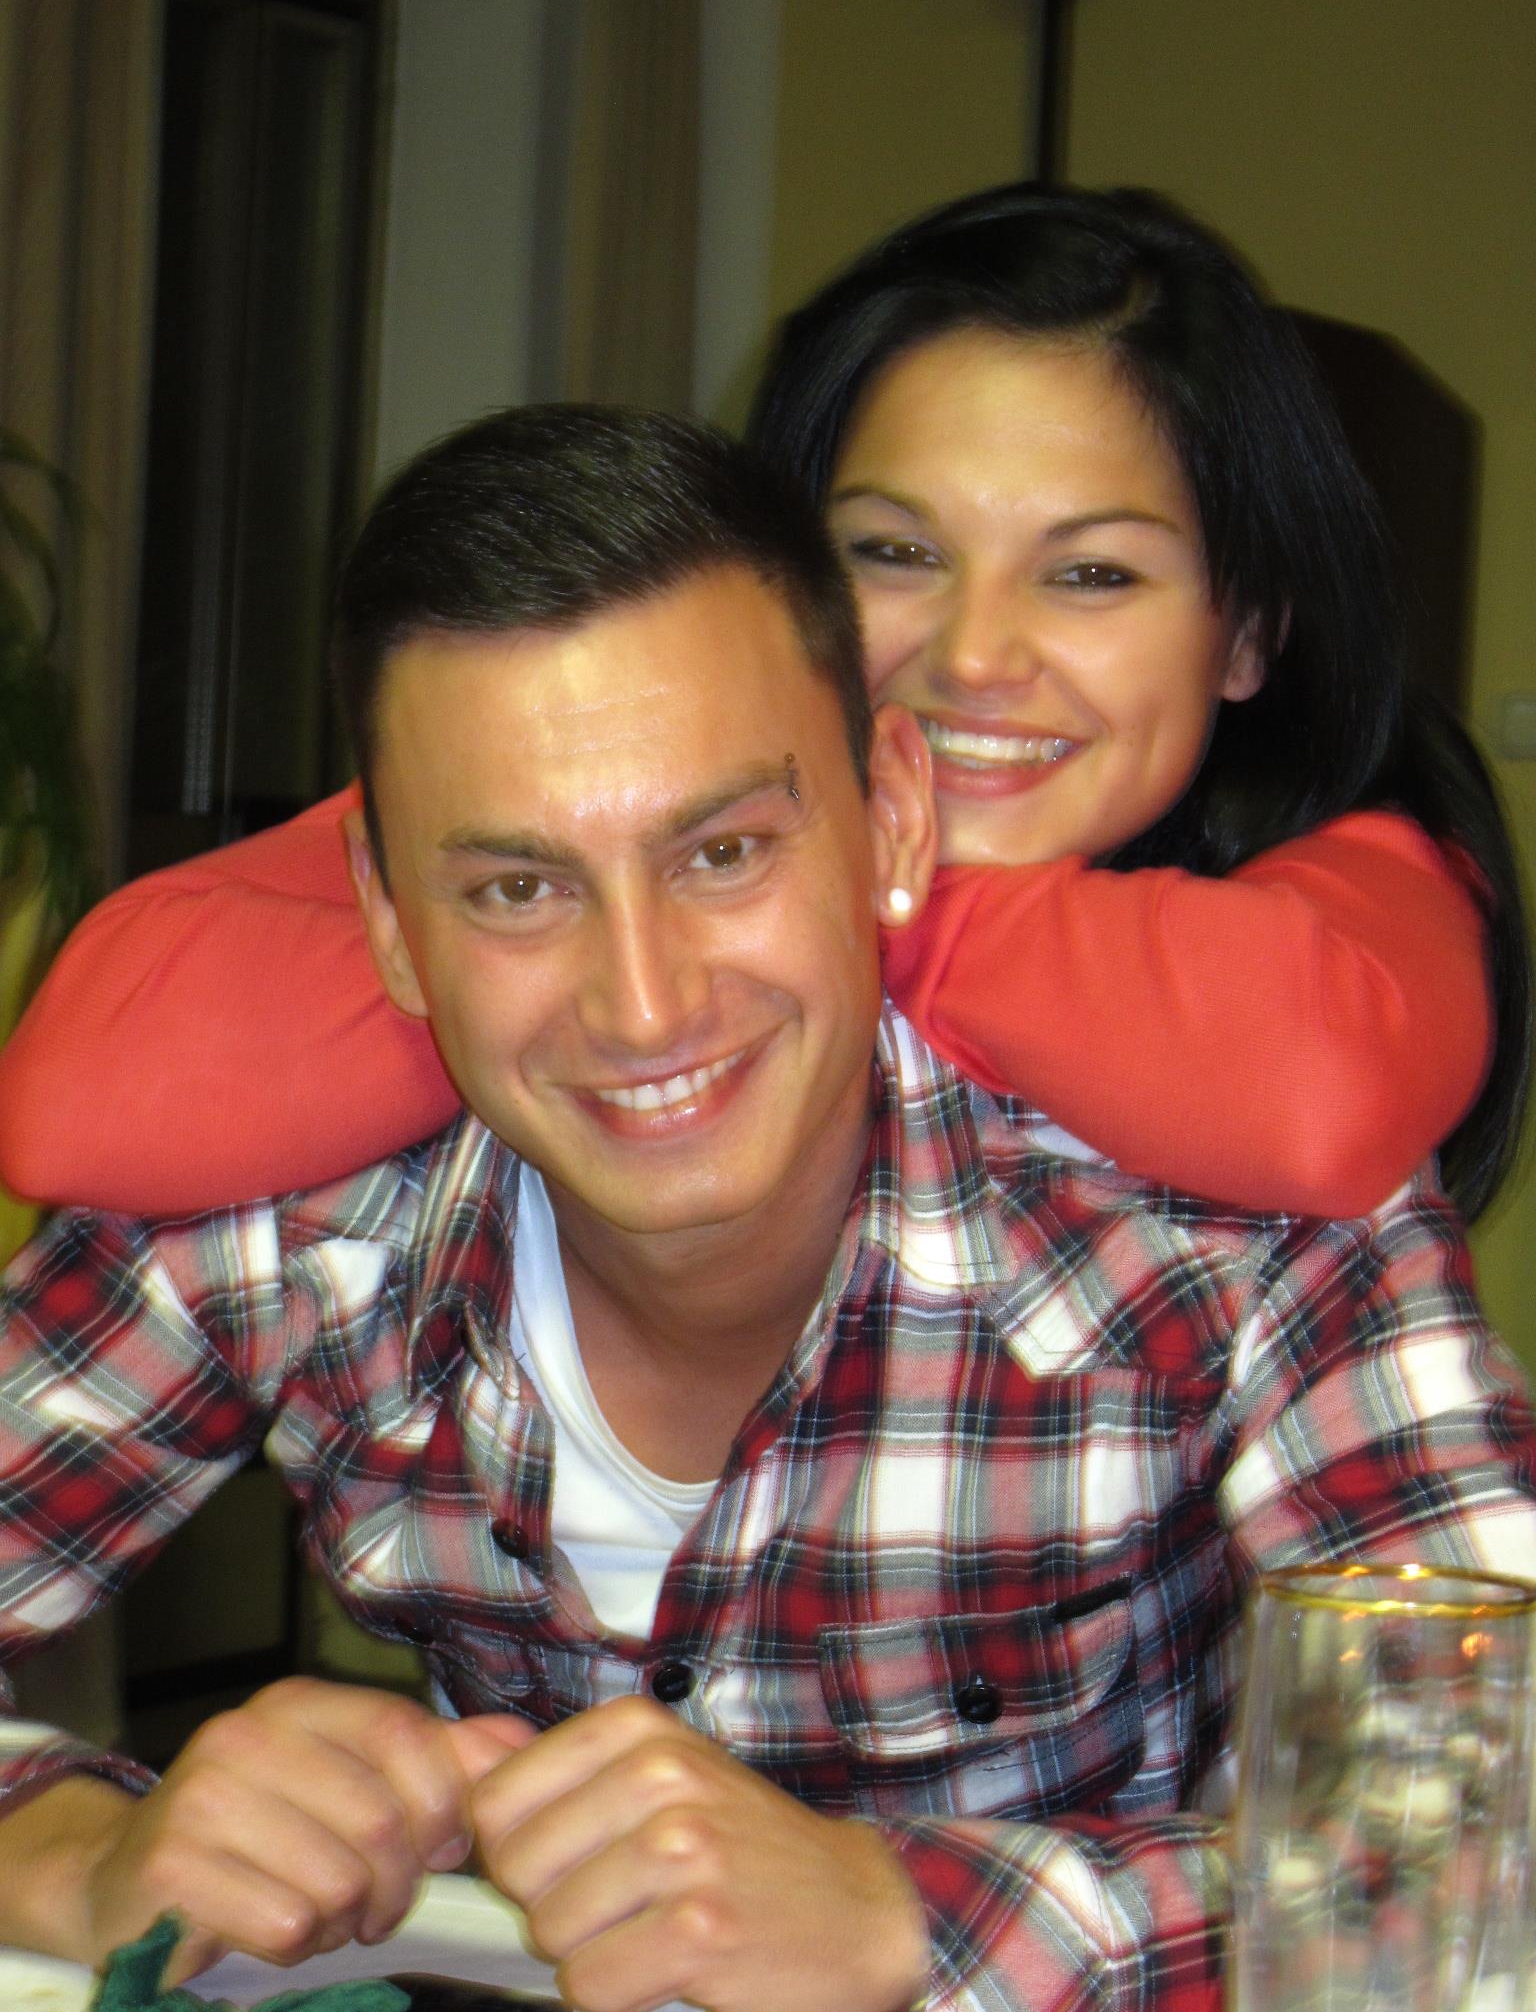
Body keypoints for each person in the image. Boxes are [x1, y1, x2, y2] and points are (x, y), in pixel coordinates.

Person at [3, 405, 1535, 2012]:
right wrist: (80, 1857)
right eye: (518, 889)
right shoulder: (278, 1223)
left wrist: (905, 1916)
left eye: (725, 852)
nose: (644, 1003)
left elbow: (1474, 1833)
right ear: (389, 924)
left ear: (893, 817)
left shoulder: (1231, 1221)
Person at [2, 186, 1523, 1224]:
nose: (975, 657)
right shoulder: (613, 803)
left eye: (1091, 576)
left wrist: (846, 905)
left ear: (1246, 631)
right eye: (894, 554)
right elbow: (79, 1101)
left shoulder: (1366, 861)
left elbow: (1315, 1092)